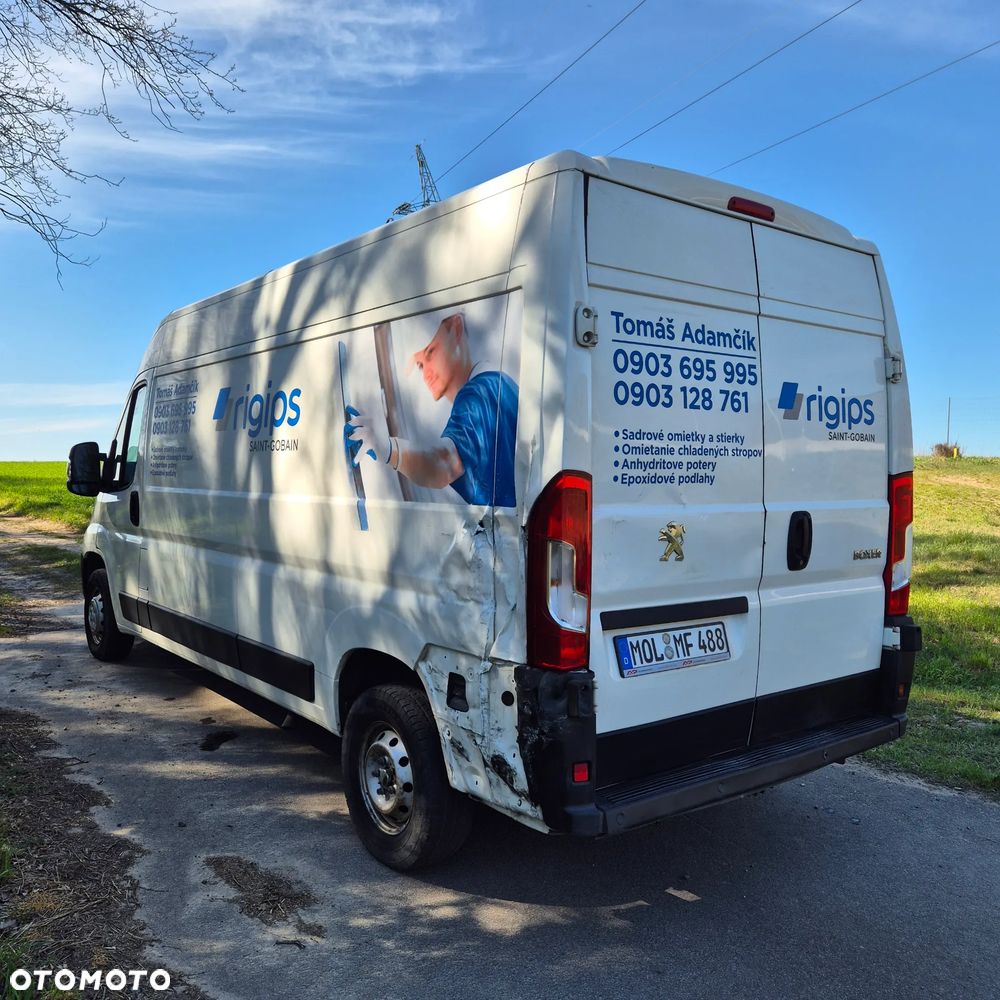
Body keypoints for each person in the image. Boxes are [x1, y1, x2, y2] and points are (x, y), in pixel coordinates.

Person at [347, 312, 518, 506]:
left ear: (456, 329)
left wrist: (388, 448)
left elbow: (446, 464)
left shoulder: (478, 395)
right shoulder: (500, 385)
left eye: (430, 353)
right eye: (420, 365)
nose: (426, 373)